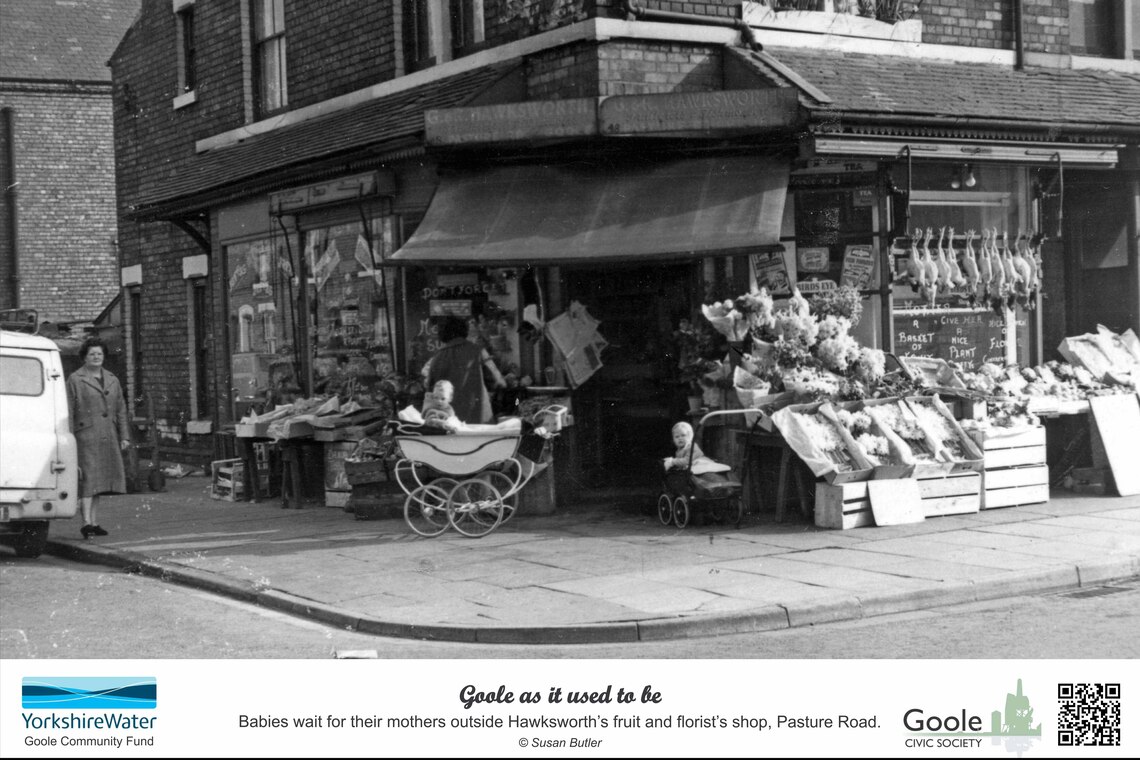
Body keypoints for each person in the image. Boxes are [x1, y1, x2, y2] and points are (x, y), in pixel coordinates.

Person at [66, 337, 131, 539]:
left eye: (99, 354)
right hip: (86, 436)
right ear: (84, 357)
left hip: (108, 435)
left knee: (100, 480)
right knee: (88, 479)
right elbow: (69, 411)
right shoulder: (75, 379)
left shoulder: (112, 378)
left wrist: (124, 436)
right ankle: (86, 522)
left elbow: (121, 409)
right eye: (92, 354)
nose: (96, 357)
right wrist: (70, 439)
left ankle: (94, 522)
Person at [426, 316, 505, 424]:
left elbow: (429, 389)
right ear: (464, 331)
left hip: (448, 420)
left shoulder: (437, 357)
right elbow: (499, 381)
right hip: (479, 419)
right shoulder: (479, 351)